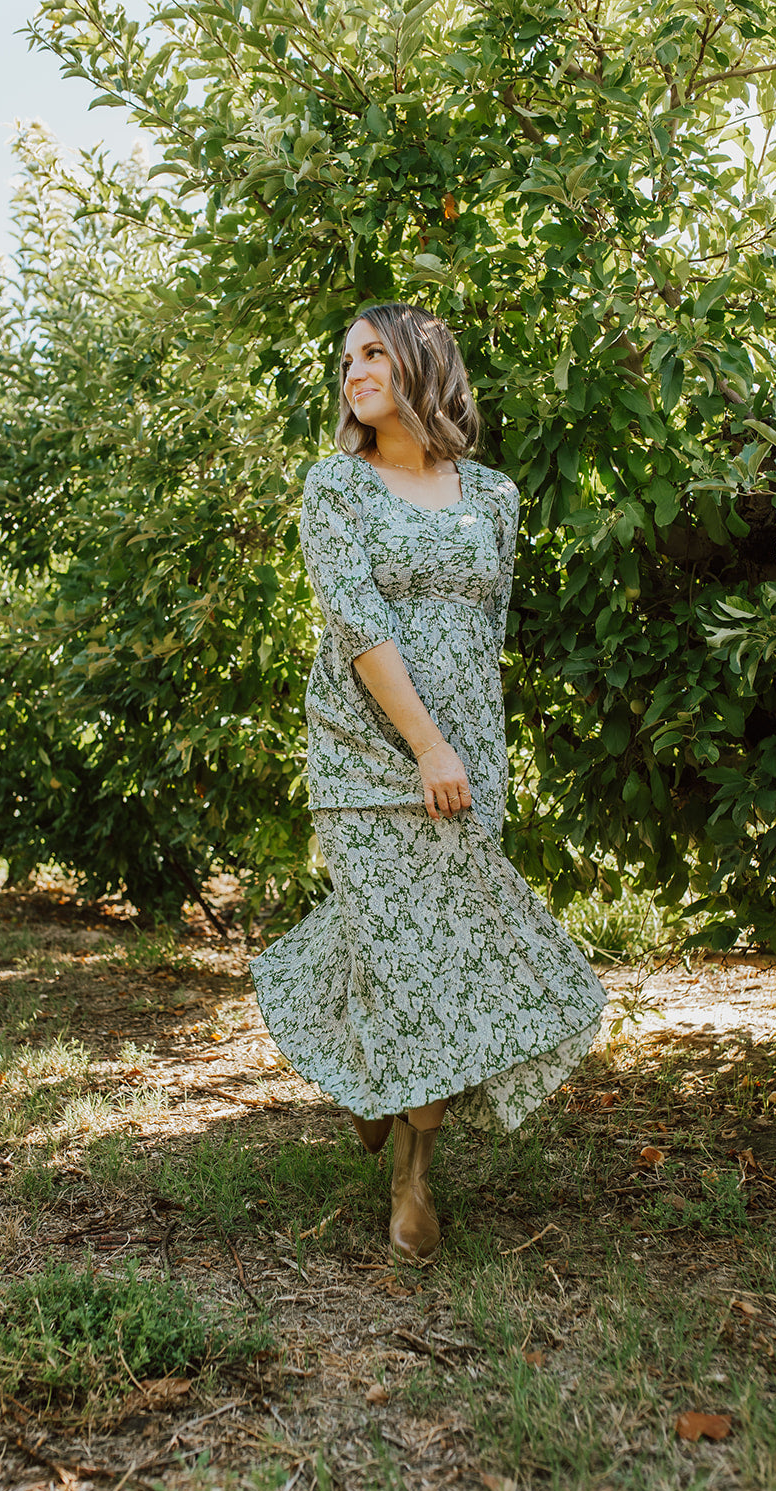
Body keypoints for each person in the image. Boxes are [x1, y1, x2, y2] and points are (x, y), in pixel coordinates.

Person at [250, 302, 606, 1260]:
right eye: (345, 361)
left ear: (419, 365)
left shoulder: (491, 495)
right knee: (406, 953)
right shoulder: (335, 487)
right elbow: (358, 626)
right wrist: (425, 747)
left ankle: (390, 1116)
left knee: (431, 952)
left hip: (466, 759)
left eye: (373, 353)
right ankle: (404, 1170)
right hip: (368, 757)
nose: (353, 371)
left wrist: (470, 754)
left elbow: (486, 638)